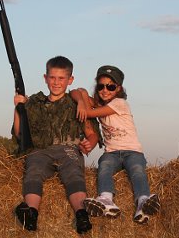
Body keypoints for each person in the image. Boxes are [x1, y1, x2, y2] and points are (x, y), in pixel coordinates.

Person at [13, 56, 100, 234]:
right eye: (52, 77)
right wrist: (18, 108)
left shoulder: (75, 103)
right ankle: (31, 213)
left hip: (68, 148)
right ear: (45, 78)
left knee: (73, 171)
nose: (56, 82)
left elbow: (92, 134)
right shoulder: (34, 103)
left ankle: (81, 214)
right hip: (40, 150)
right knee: (34, 170)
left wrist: (89, 145)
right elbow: (19, 133)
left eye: (61, 78)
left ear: (70, 80)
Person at [71, 65, 160, 224]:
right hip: (111, 152)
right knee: (104, 166)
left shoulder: (120, 103)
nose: (105, 90)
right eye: (101, 86)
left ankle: (143, 201)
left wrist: (84, 102)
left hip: (132, 151)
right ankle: (106, 199)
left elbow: (89, 113)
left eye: (110, 86)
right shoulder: (101, 105)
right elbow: (75, 92)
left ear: (118, 88)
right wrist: (81, 96)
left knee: (137, 170)